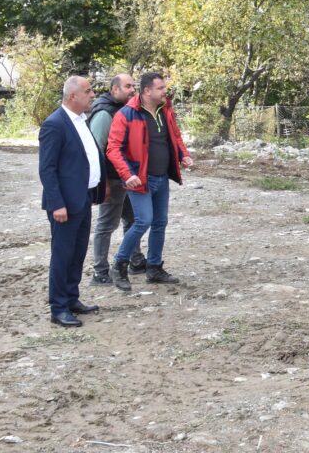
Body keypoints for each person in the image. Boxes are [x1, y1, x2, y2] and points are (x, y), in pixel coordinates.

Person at [107, 72, 193, 286]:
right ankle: (119, 266)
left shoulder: (166, 109)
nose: (165, 91)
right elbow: (113, 149)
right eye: (161, 88)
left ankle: (154, 269)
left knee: (160, 223)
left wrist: (183, 155)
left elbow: (175, 136)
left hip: (162, 177)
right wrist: (128, 175)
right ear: (147, 91)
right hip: (140, 179)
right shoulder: (126, 114)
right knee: (143, 221)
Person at [39, 76, 103, 327]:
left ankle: (71, 297)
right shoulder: (55, 124)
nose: (92, 94)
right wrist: (57, 204)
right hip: (64, 204)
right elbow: (47, 169)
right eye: (88, 91)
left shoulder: (81, 121)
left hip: (83, 198)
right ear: (72, 96)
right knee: (62, 255)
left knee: (77, 253)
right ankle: (58, 307)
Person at [88, 74, 147, 291]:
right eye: (128, 86)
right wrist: (101, 184)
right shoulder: (105, 114)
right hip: (112, 179)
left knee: (133, 219)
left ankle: (136, 261)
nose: (133, 90)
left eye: (134, 86)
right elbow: (96, 151)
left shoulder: (124, 110)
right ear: (114, 90)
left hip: (127, 177)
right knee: (106, 225)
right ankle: (100, 271)